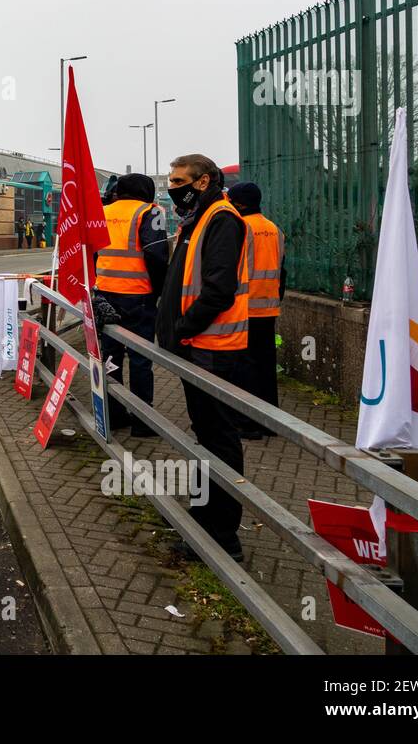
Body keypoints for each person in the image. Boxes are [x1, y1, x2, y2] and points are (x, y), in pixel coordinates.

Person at [155, 154, 252, 563]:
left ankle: (223, 534)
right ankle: (203, 513)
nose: (173, 187)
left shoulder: (221, 220)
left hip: (213, 348)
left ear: (203, 181)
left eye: (179, 180)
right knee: (204, 435)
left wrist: (181, 328)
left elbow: (218, 290)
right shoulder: (199, 218)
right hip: (198, 347)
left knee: (219, 440)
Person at [95, 173, 168, 437]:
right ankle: (142, 421)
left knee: (111, 356)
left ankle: (113, 415)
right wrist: (159, 291)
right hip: (139, 297)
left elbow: (92, 252)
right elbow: (156, 255)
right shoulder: (150, 212)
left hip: (105, 296)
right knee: (140, 358)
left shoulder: (102, 212)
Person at [228, 182, 285, 439]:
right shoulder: (274, 229)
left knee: (244, 367)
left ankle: (247, 423)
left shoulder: (240, 228)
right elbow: (281, 269)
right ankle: (270, 421)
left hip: (244, 308)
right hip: (269, 307)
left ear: (239, 203)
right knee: (265, 365)